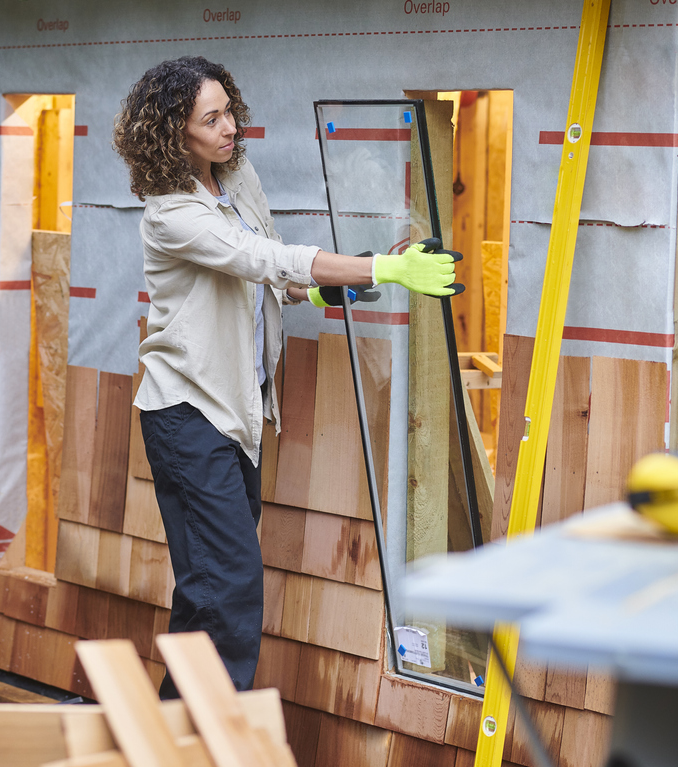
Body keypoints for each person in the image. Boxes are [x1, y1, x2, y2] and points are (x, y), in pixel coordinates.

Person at [113, 56, 460, 698]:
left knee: (207, 592)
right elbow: (259, 257)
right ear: (171, 133)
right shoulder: (171, 215)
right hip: (189, 416)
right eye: (209, 119)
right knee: (231, 589)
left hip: (234, 418)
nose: (229, 129)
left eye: (229, 112)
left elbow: (271, 275)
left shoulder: (237, 178)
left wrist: (326, 290)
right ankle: (216, 753)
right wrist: (379, 273)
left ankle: (170, 744)